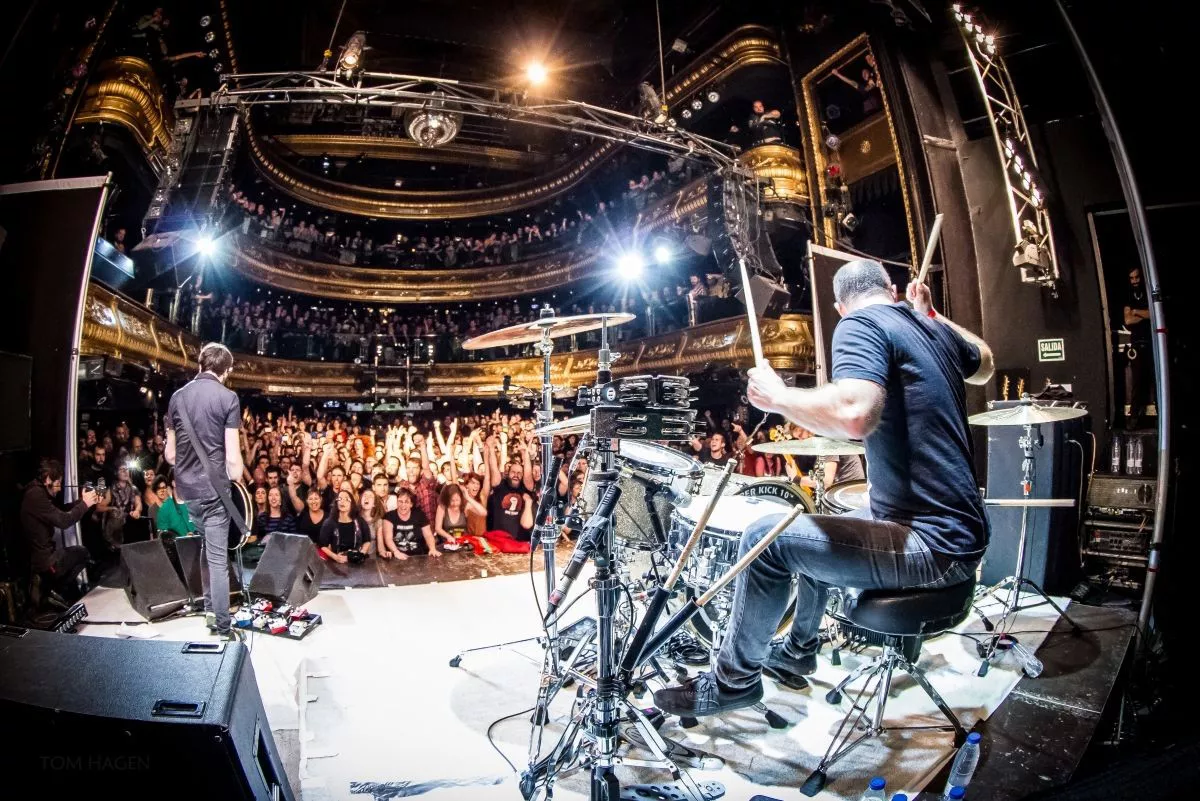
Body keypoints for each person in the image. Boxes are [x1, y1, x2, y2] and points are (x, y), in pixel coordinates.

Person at [654, 259, 994, 717]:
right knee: (812, 530)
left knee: (765, 540)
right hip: (962, 534)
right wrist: (930, 313)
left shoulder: (860, 324)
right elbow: (986, 363)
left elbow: (855, 415)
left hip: (933, 544)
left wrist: (777, 397)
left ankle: (732, 682)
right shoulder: (929, 328)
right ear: (891, 288)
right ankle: (798, 650)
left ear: (837, 306)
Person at [165, 343, 246, 641]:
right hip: (214, 491)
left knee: (205, 547)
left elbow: (171, 455)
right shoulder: (228, 398)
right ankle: (223, 628)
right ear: (226, 371)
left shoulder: (176, 398)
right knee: (216, 556)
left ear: (200, 364)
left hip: (187, 491)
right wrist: (234, 475)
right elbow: (233, 460)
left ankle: (212, 610)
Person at [20, 458, 99, 611]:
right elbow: (64, 520)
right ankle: (50, 590)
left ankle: (51, 591)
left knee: (80, 554)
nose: (58, 489)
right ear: (48, 479)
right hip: (45, 561)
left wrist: (83, 502)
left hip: (46, 557)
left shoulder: (37, 491)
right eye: (58, 483)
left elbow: (61, 510)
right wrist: (85, 504)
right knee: (82, 553)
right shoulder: (35, 495)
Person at [1122, 265, 1153, 428]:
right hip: (1137, 344)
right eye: (1132, 278)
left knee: (1154, 381)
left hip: (1152, 342)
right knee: (1137, 383)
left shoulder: (1148, 292)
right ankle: (1133, 418)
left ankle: (1161, 417)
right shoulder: (1128, 296)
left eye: (1137, 277)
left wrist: (1136, 312)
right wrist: (1143, 314)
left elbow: (1153, 313)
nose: (1134, 281)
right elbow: (1127, 320)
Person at [318, 489, 372, 564]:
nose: (342, 501)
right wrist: (335, 557)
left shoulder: (359, 521)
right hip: (338, 561)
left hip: (356, 561)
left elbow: (367, 540)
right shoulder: (329, 522)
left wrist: (361, 554)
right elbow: (322, 545)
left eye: (346, 499)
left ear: (352, 504)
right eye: (340, 499)